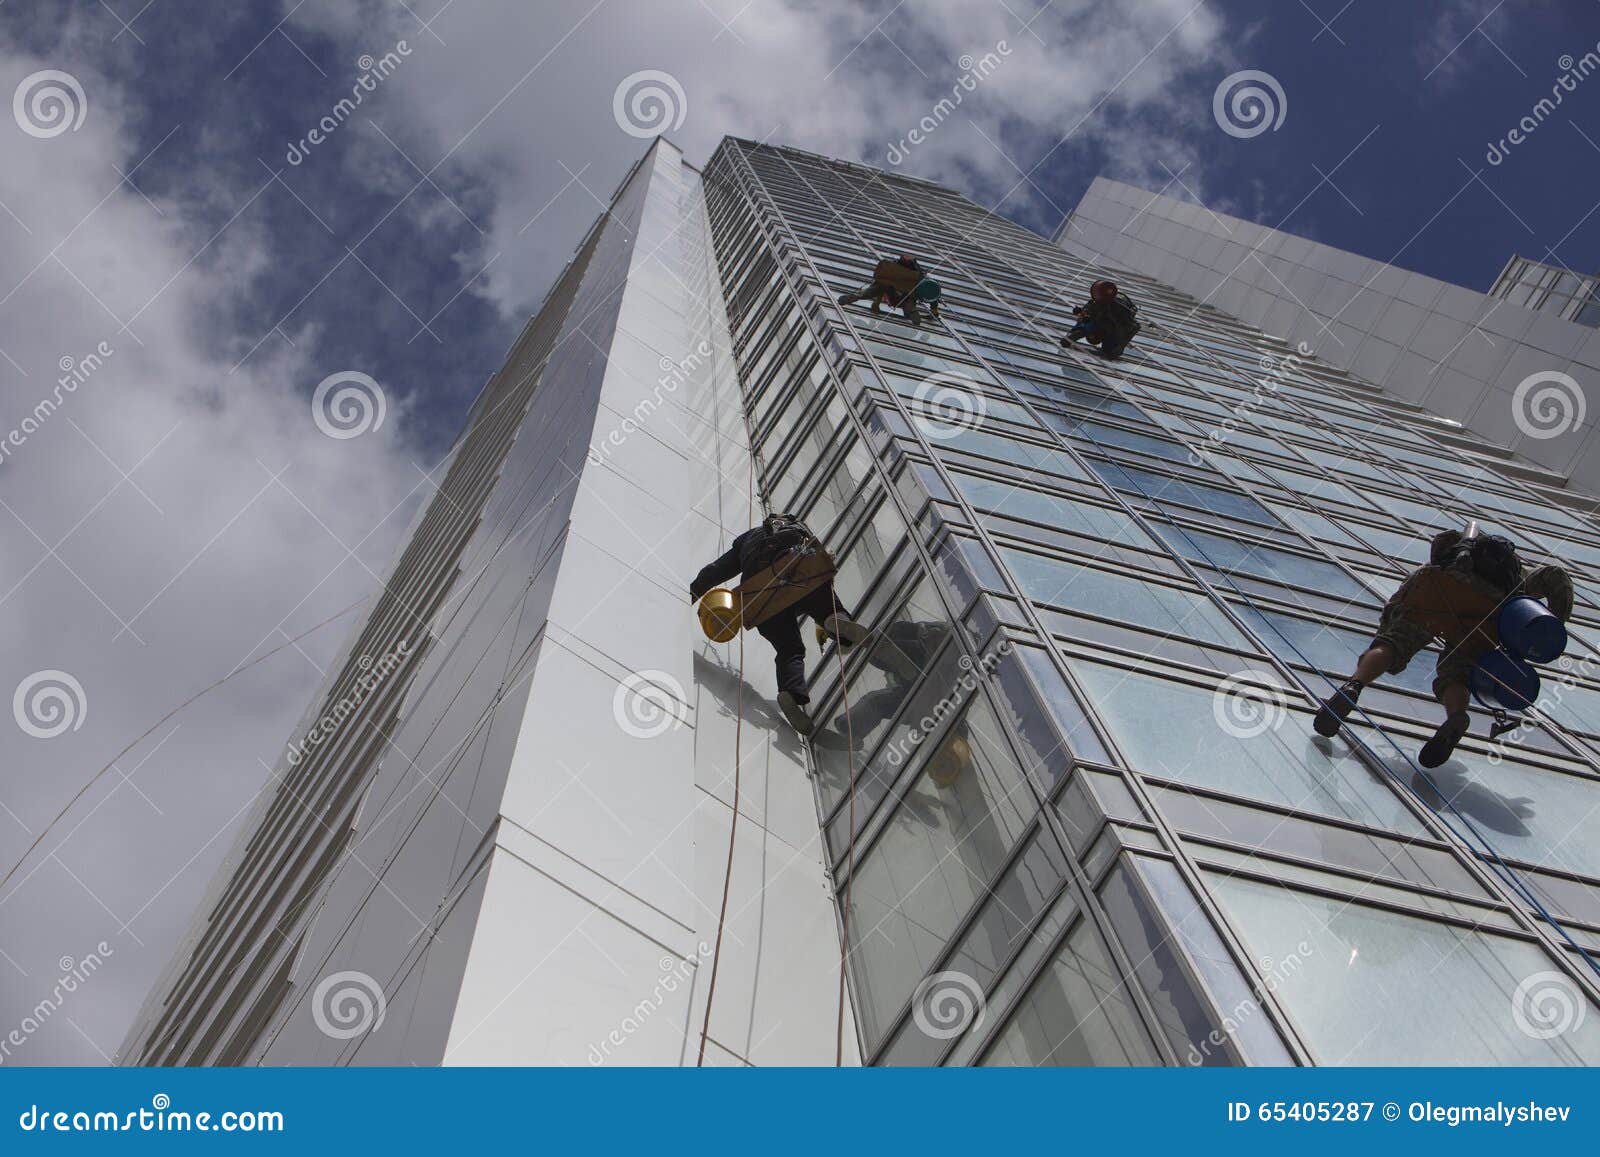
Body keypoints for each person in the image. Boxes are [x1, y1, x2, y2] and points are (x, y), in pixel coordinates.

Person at [1313, 527, 1573, 768]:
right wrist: (1548, 630)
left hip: (1439, 590)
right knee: (1456, 672)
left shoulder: (1463, 546)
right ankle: (1456, 716)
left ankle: (1354, 685)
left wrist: (1387, 627)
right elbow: (1557, 576)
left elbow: (1441, 542)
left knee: (1392, 644)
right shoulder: (1518, 578)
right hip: (1487, 612)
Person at [690, 514, 867, 735]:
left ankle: (790, 693)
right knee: (824, 601)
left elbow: (717, 570)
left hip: (760, 595)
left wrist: (690, 593)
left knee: (789, 648)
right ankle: (836, 621)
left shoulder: (749, 538)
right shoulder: (795, 531)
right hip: (797, 569)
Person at [837, 254, 938, 324]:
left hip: (894, 293)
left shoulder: (891, 271)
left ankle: (850, 298)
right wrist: (934, 312)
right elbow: (933, 294)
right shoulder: (918, 277)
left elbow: (875, 288)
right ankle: (915, 319)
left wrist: (875, 306)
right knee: (910, 308)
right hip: (905, 298)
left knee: (867, 293)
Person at [1062, 279, 1141, 359]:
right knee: (1089, 326)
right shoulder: (1095, 305)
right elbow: (1085, 314)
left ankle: (1071, 336)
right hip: (1105, 325)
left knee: (1110, 350)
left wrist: (1120, 346)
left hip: (1113, 328)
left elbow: (1134, 327)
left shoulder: (1120, 308)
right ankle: (1072, 336)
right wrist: (1082, 315)